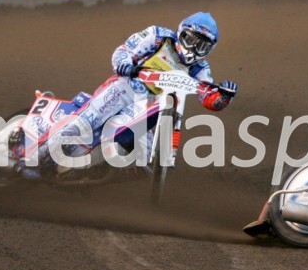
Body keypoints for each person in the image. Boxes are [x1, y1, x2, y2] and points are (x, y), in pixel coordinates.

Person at [24, 13, 238, 177]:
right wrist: (125, 65)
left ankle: (91, 168)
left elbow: (208, 96)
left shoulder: (200, 68)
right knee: (85, 123)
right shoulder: (158, 36)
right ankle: (31, 161)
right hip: (126, 88)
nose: (195, 48)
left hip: (153, 107)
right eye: (192, 40)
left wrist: (224, 96)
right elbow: (124, 51)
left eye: (202, 45)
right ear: (182, 32)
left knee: (143, 160)